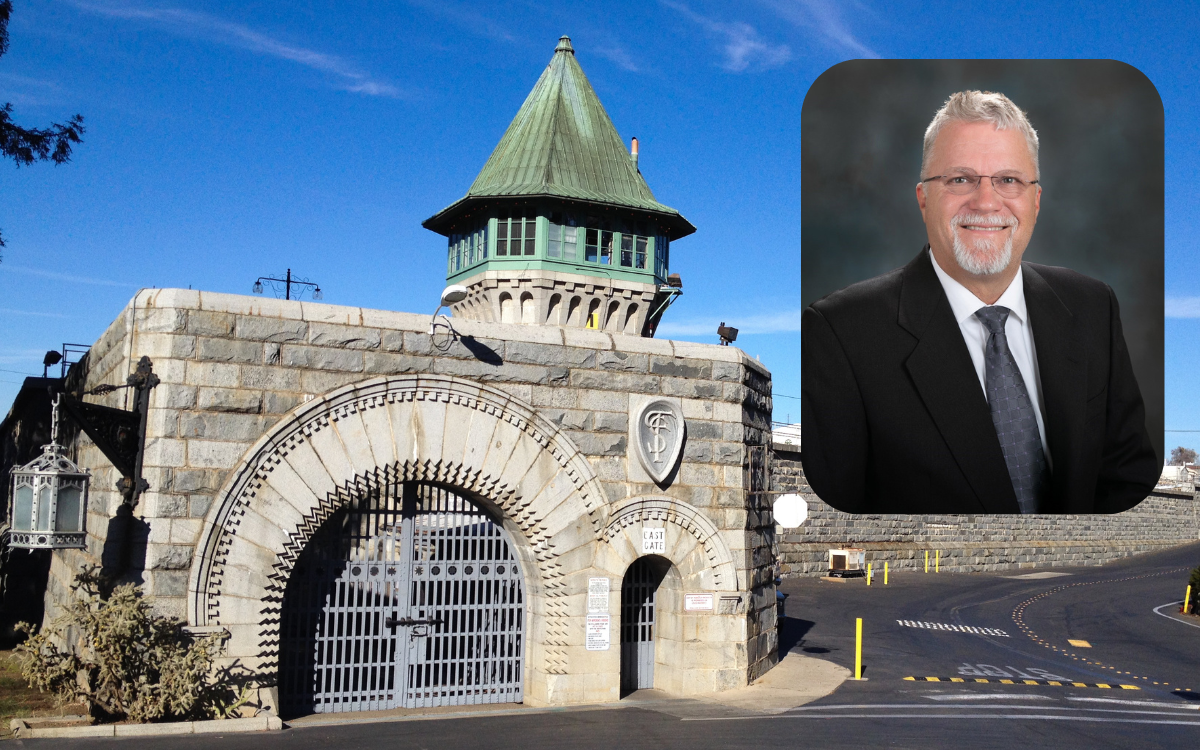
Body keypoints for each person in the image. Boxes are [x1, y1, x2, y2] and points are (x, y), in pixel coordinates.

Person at [801, 90, 1159, 515]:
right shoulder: (842, 332)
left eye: (1009, 180)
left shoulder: (1093, 308)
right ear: (923, 198)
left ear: (1036, 201)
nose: (986, 201)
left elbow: (1126, 477)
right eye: (960, 179)